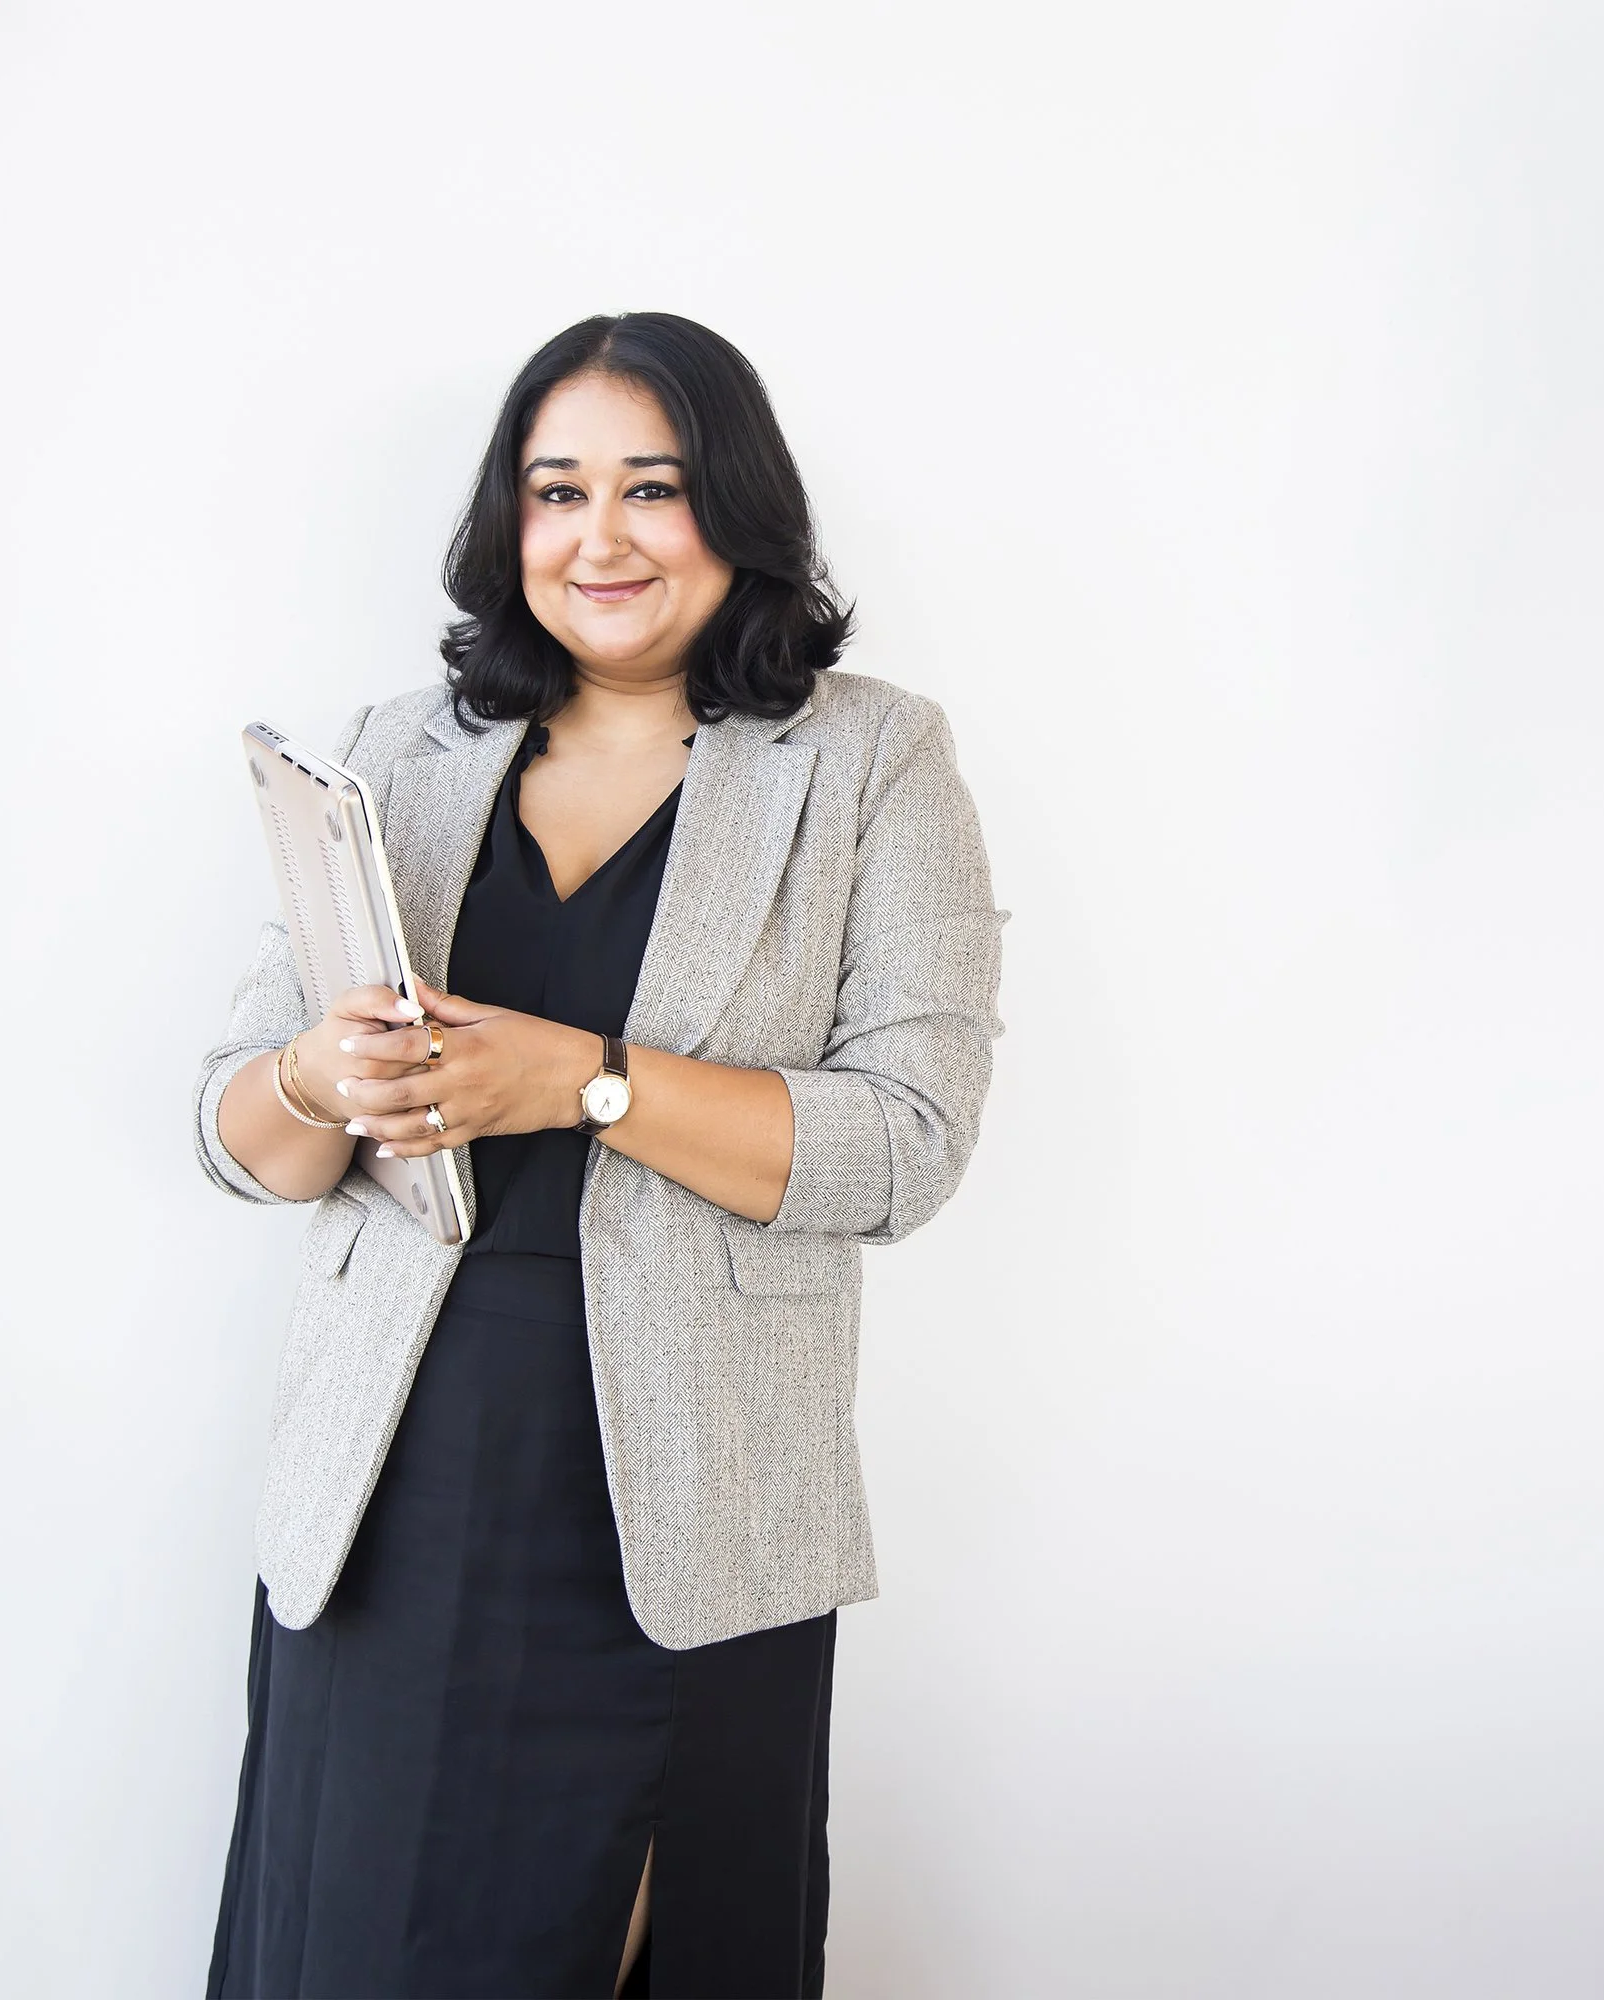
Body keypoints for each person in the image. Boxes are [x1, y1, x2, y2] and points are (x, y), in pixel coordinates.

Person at [193, 312, 1003, 2000]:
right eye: (557, 491)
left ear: (740, 510)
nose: (600, 536)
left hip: (682, 1517)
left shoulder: (869, 759)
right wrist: (312, 1072)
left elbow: (909, 1145)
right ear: (512, 524)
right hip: (394, 1499)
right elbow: (241, 1145)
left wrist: (589, 1080)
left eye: (654, 487)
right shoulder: (405, 751)